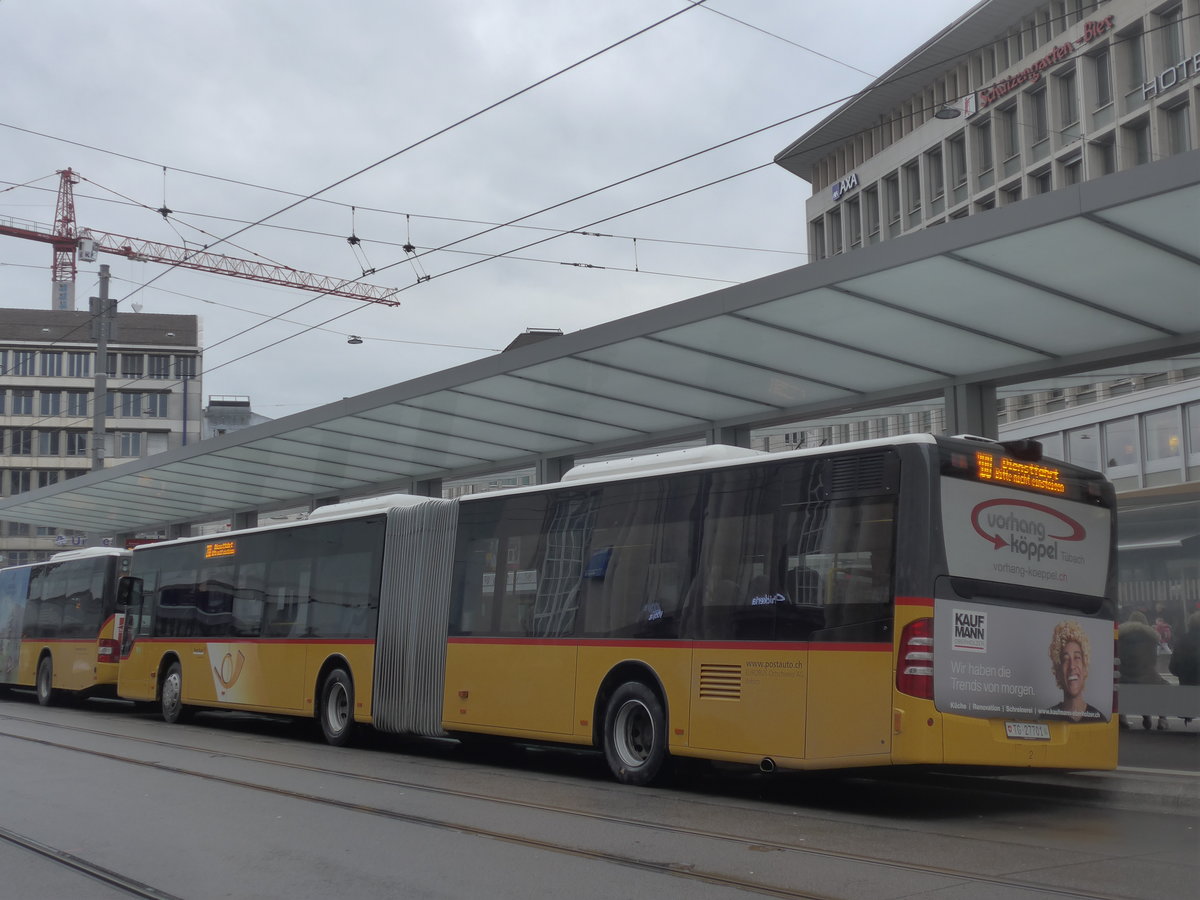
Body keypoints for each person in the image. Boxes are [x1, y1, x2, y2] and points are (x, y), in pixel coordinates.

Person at [1047, 620, 1105, 722]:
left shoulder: (1099, 720)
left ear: (1085, 668)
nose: (1072, 666)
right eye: (1065, 659)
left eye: (1077, 657)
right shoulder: (1047, 718)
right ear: (1057, 672)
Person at [1118, 617, 1167, 730]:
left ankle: (1122, 716)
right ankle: (1162, 719)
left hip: (1124, 678)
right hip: (1146, 677)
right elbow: (1152, 661)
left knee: (1117, 687)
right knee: (1164, 687)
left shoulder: (1120, 637)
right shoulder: (1151, 638)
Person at [1168, 610, 1200, 726]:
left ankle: (1187, 714)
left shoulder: (1181, 640)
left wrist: (1182, 674)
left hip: (1186, 682)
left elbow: (1172, 666)